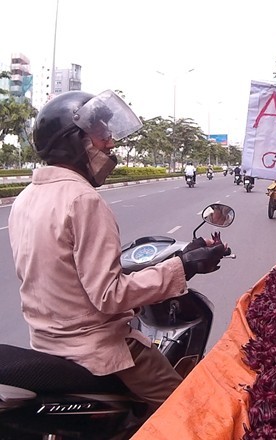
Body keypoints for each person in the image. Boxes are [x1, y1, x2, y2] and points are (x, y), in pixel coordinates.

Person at [8, 90, 229, 413]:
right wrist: (184, 266)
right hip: (95, 347)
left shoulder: (27, 197)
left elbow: (67, 273)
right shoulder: (83, 200)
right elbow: (110, 296)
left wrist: (181, 260)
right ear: (73, 141)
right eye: (100, 134)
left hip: (46, 343)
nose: (110, 143)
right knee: (193, 414)